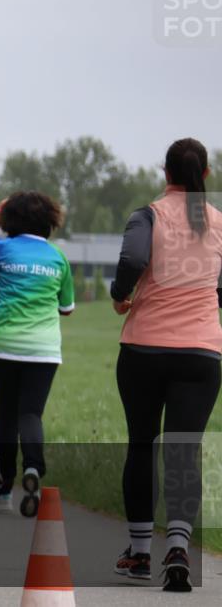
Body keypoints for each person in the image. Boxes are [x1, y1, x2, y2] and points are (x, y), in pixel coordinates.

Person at [109, 137, 221, 592]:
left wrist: (121, 295)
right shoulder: (219, 223)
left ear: (166, 173)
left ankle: (139, 553)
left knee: (142, 445)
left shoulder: (147, 215)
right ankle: (178, 545)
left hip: (144, 351)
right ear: (205, 175)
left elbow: (134, 257)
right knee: (183, 448)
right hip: (202, 354)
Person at [0, 192, 74, 517]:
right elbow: (66, 308)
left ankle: (2, 488)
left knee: (6, 415)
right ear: (50, 222)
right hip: (44, 349)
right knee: (31, 414)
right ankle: (34, 468)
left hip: (3, 345)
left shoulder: (1, 248)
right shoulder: (58, 257)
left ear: (9, 220)